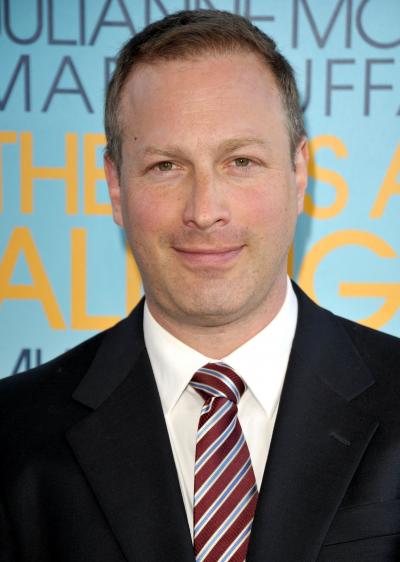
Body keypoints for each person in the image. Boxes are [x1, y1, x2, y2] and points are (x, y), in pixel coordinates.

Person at [1, 9, 399, 562]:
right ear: (116, 186)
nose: (205, 210)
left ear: (298, 172)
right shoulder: (12, 434)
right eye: (166, 166)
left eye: (241, 161)